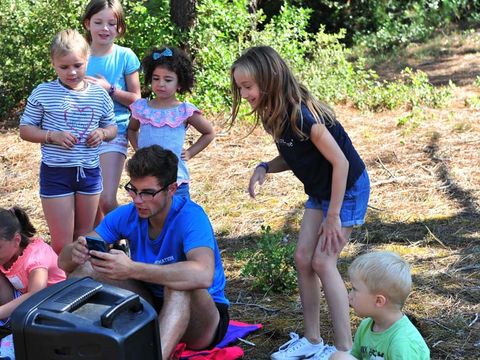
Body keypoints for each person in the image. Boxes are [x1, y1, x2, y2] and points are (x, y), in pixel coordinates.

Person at [230, 46, 370, 360]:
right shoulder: (274, 115)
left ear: (270, 80)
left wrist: (333, 216)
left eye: (248, 87)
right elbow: (292, 155)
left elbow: (341, 163)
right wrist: (265, 166)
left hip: (346, 189)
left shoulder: (304, 116)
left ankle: (344, 350)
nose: (243, 93)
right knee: (303, 257)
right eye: (240, 88)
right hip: (321, 190)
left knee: (322, 262)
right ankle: (312, 340)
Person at [58, 145, 229, 360]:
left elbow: (203, 274)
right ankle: (70, 348)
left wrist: (132, 269)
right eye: (133, 190)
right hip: (152, 305)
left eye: (148, 193)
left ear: (172, 189)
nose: (138, 200)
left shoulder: (191, 217)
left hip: (204, 318)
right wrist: (74, 251)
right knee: (85, 268)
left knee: (179, 286)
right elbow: (64, 264)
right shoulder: (127, 214)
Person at [19, 29, 117, 254]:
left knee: (84, 237)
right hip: (56, 173)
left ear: (87, 60)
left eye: (78, 65)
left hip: (89, 173)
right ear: (53, 63)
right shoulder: (43, 92)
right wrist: (51, 136)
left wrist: (102, 134)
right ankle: (63, 286)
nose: (72, 72)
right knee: (63, 243)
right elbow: (25, 130)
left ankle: (84, 286)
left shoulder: (99, 95)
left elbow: (113, 128)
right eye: (64, 67)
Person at [128, 46, 215, 199]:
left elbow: (208, 132)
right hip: (145, 180)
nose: (161, 84)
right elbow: (132, 130)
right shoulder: (142, 108)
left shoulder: (183, 111)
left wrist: (189, 152)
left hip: (176, 180)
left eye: (168, 80)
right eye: (156, 78)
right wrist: (138, 150)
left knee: (178, 216)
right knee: (149, 218)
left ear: (179, 83)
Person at [82, 0, 141, 221]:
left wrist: (110, 89)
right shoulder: (79, 57)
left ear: (120, 27)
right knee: (91, 203)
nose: (104, 28)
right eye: (98, 22)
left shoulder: (125, 56)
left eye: (111, 23)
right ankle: (102, 248)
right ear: (87, 24)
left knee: (106, 199)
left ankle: (132, 237)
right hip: (82, 135)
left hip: (115, 131)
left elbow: (137, 100)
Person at [331, 252, 430, 360]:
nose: (349, 296)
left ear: (379, 300)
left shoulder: (402, 342)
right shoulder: (366, 326)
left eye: (355, 290)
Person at [0, 207, 66, 326]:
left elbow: (36, 294)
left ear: (17, 240)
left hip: (54, 303)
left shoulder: (36, 258)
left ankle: (11, 322)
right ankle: (9, 321)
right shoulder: (6, 255)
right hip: (24, 297)